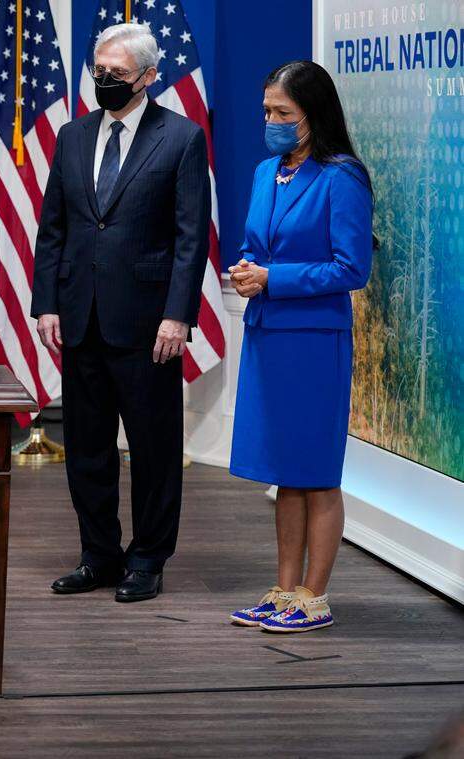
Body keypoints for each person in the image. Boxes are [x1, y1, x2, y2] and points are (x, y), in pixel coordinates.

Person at [31, 23, 210, 603]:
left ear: (149, 77)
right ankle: (98, 555)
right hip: (79, 316)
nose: (104, 82)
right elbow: (53, 226)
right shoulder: (73, 135)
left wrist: (178, 315)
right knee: (86, 446)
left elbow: (190, 238)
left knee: (154, 450)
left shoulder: (181, 138)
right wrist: (46, 302)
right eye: (98, 72)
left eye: (117, 75)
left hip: (149, 322)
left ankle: (148, 558)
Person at [227, 60, 373, 633]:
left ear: (313, 115)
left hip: (314, 343)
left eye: (282, 113)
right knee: (284, 472)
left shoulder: (343, 177)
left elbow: (350, 267)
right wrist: (246, 268)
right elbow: (255, 243)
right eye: (267, 111)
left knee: (316, 472)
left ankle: (315, 596)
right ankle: (284, 588)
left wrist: (274, 279)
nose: (271, 121)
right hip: (269, 336)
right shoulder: (268, 172)